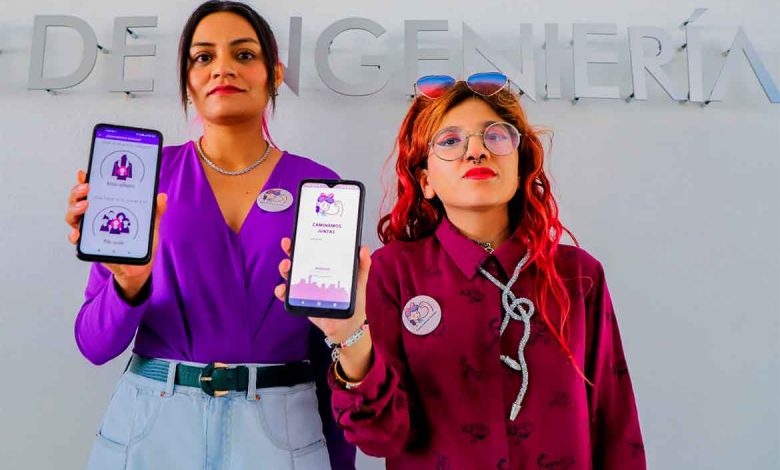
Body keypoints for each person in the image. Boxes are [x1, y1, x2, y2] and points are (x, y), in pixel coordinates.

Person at [275, 73, 646, 469]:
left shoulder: (578, 275)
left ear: (520, 166)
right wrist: (350, 337)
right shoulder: (391, 273)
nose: (476, 151)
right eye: (450, 141)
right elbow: (380, 437)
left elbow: (616, 425)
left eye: (496, 136)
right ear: (426, 181)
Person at [65, 1, 354, 468]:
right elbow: (94, 345)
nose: (223, 68)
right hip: (154, 426)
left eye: (244, 54)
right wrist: (128, 283)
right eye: (203, 57)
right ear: (187, 80)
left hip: (282, 428)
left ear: (275, 74)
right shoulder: (145, 178)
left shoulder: (319, 187)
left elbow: (331, 347)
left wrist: (340, 457)